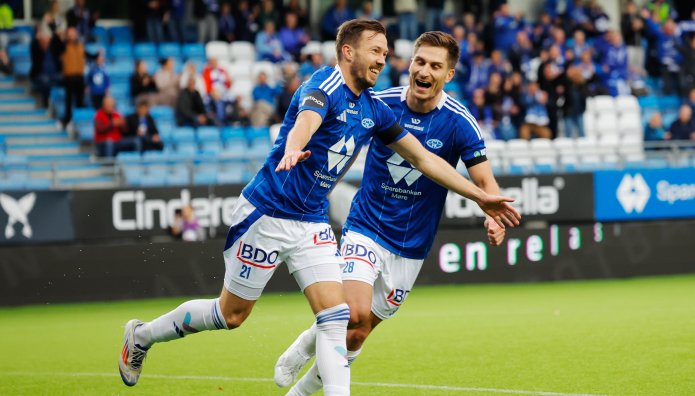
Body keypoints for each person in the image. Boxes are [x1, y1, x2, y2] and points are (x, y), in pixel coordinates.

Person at [118, 20, 520, 394]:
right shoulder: (323, 85)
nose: (383, 59)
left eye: (385, 53)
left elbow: (424, 160)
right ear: (348, 52)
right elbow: (305, 120)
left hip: (312, 222)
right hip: (268, 213)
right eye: (375, 51)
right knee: (231, 315)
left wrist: (481, 197)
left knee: (337, 318)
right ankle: (143, 335)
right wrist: (294, 148)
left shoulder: (375, 108)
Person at [274, 31, 518, 395]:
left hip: (411, 246)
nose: (424, 70)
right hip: (366, 226)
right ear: (411, 63)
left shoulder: (460, 121)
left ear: (448, 75)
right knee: (350, 313)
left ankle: (304, 375)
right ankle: (308, 356)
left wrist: (492, 215)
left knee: (358, 332)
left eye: (436, 65)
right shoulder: (381, 104)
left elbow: (485, 182)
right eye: (420, 61)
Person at [60, 27, 86, 128]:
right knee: (69, 100)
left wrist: (96, 55)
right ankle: (67, 121)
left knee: (80, 100)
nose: (72, 35)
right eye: (70, 33)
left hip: (80, 76)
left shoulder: (80, 45)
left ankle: (79, 122)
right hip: (69, 77)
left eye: (74, 33)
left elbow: (86, 55)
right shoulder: (63, 46)